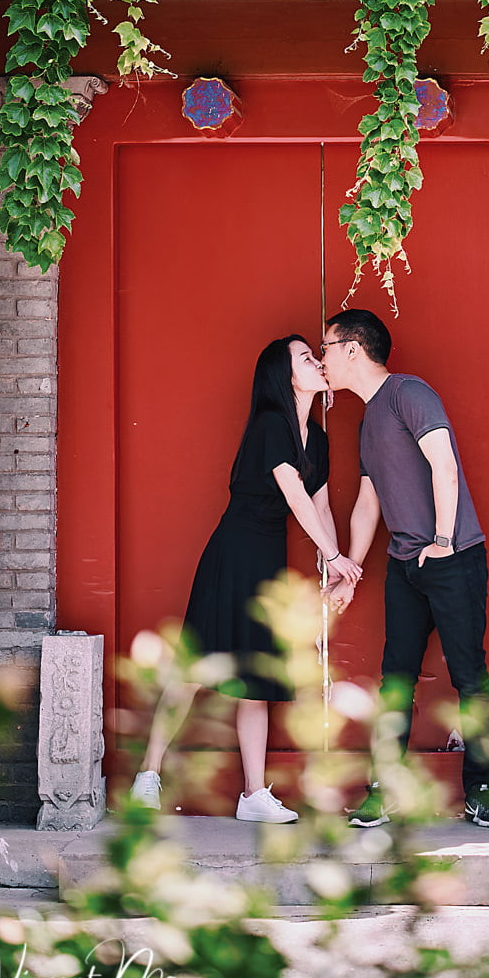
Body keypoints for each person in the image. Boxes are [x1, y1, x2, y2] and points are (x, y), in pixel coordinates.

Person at [130, 335, 361, 822]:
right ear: (284, 376)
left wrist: (336, 570)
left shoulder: (317, 439)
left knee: (257, 679)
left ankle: (253, 795)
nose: (317, 363)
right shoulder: (271, 424)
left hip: (267, 562)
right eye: (306, 358)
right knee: (193, 671)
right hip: (233, 554)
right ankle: (147, 777)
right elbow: (292, 492)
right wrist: (335, 555)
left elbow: (319, 506)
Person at [320, 309, 489, 829]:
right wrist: (351, 570)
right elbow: (368, 502)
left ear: (352, 349)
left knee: (469, 675)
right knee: (395, 680)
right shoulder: (368, 421)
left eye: (327, 347)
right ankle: (384, 790)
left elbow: (443, 464)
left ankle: (483, 790)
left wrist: (443, 542)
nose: (323, 358)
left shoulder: (409, 393)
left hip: (454, 557)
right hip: (405, 564)